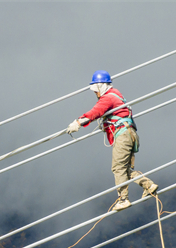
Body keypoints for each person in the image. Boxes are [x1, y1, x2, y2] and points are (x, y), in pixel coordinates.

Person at [68, 70, 158, 212]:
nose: (95, 93)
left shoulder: (108, 98)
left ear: (101, 86)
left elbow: (95, 112)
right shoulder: (117, 95)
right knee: (124, 169)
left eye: (96, 90)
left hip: (123, 136)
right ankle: (148, 185)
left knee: (117, 168)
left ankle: (123, 199)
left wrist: (78, 123)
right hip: (129, 134)